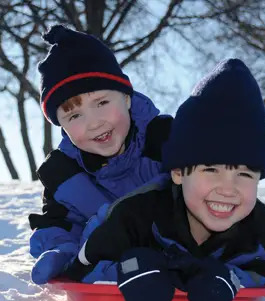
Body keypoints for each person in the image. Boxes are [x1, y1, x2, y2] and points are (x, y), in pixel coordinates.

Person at [65, 58, 265, 301]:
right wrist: (128, 269)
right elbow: (80, 269)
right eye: (211, 170)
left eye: (245, 174)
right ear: (178, 173)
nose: (228, 189)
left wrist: (232, 279)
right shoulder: (135, 215)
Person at [28, 25, 172, 285]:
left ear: (127, 98)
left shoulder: (165, 140)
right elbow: (59, 225)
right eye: (74, 115)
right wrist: (62, 251)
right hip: (110, 276)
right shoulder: (62, 173)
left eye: (102, 103)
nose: (94, 123)